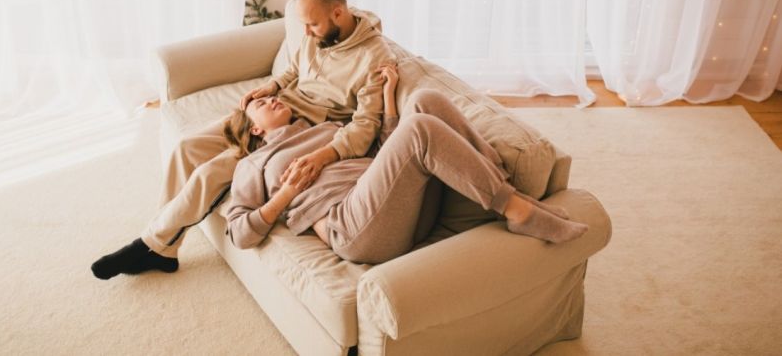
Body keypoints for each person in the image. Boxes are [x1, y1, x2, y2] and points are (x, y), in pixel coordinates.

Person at [90, 0, 394, 280]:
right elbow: (293, 70)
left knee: (211, 175)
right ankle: (163, 246)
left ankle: (150, 244)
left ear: (338, 13)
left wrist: (324, 155)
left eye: (312, 25)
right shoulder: (317, 32)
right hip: (277, 107)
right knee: (186, 147)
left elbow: (365, 127)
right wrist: (271, 87)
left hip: (299, 131)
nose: (306, 33)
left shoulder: (374, 58)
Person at [224, 64, 588, 265]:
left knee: (426, 100)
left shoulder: (328, 129)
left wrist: (388, 95)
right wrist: (286, 194)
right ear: (253, 128)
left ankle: (501, 194)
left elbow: (390, 154)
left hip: (398, 206)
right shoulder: (255, 165)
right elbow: (240, 233)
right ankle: (517, 210)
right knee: (421, 128)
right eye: (261, 104)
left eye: (272, 97)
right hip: (356, 228)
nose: (271, 100)